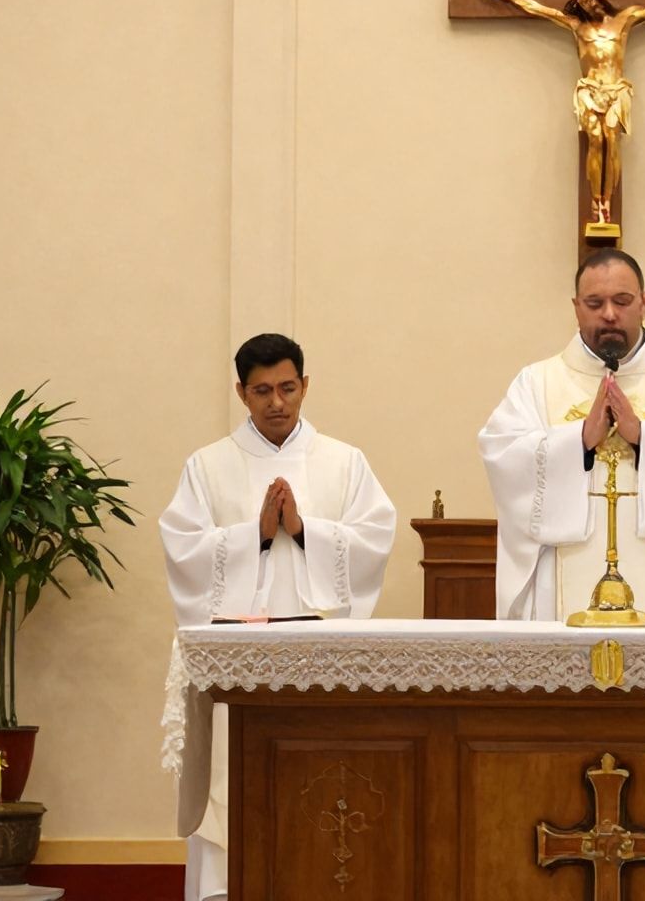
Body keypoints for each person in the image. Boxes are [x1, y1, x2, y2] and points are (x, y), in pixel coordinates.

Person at [159, 332, 396, 901]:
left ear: (305, 385)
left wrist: (305, 530)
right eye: (261, 390)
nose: (277, 403)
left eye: (288, 388)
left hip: (324, 656)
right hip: (238, 666)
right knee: (233, 788)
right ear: (241, 392)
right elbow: (183, 550)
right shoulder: (208, 465)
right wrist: (254, 536)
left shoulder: (344, 461)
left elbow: (375, 539)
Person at [479, 248, 645, 622]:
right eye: (595, 302)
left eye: (622, 301)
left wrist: (644, 437)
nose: (609, 314)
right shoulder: (535, 384)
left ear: (644, 303)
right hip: (559, 597)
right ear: (576, 307)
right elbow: (502, 453)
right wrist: (580, 440)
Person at [477, 0, 645, 231]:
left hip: (616, 90)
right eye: (582, 3)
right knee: (595, 138)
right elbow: (536, 8)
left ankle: (608, 200)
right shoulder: (576, 26)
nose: (588, 5)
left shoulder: (624, 21)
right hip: (590, 91)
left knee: (611, 141)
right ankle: (598, 203)